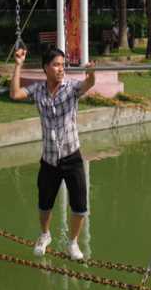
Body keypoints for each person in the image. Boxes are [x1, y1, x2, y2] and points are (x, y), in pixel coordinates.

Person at [10, 47, 95, 260]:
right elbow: (14, 94)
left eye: (62, 65)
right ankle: (45, 235)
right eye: (56, 64)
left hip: (72, 156)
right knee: (44, 203)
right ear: (46, 68)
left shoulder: (72, 88)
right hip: (49, 159)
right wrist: (18, 65)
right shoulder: (38, 90)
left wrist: (91, 74)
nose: (60, 69)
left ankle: (73, 243)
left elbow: (88, 84)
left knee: (80, 205)